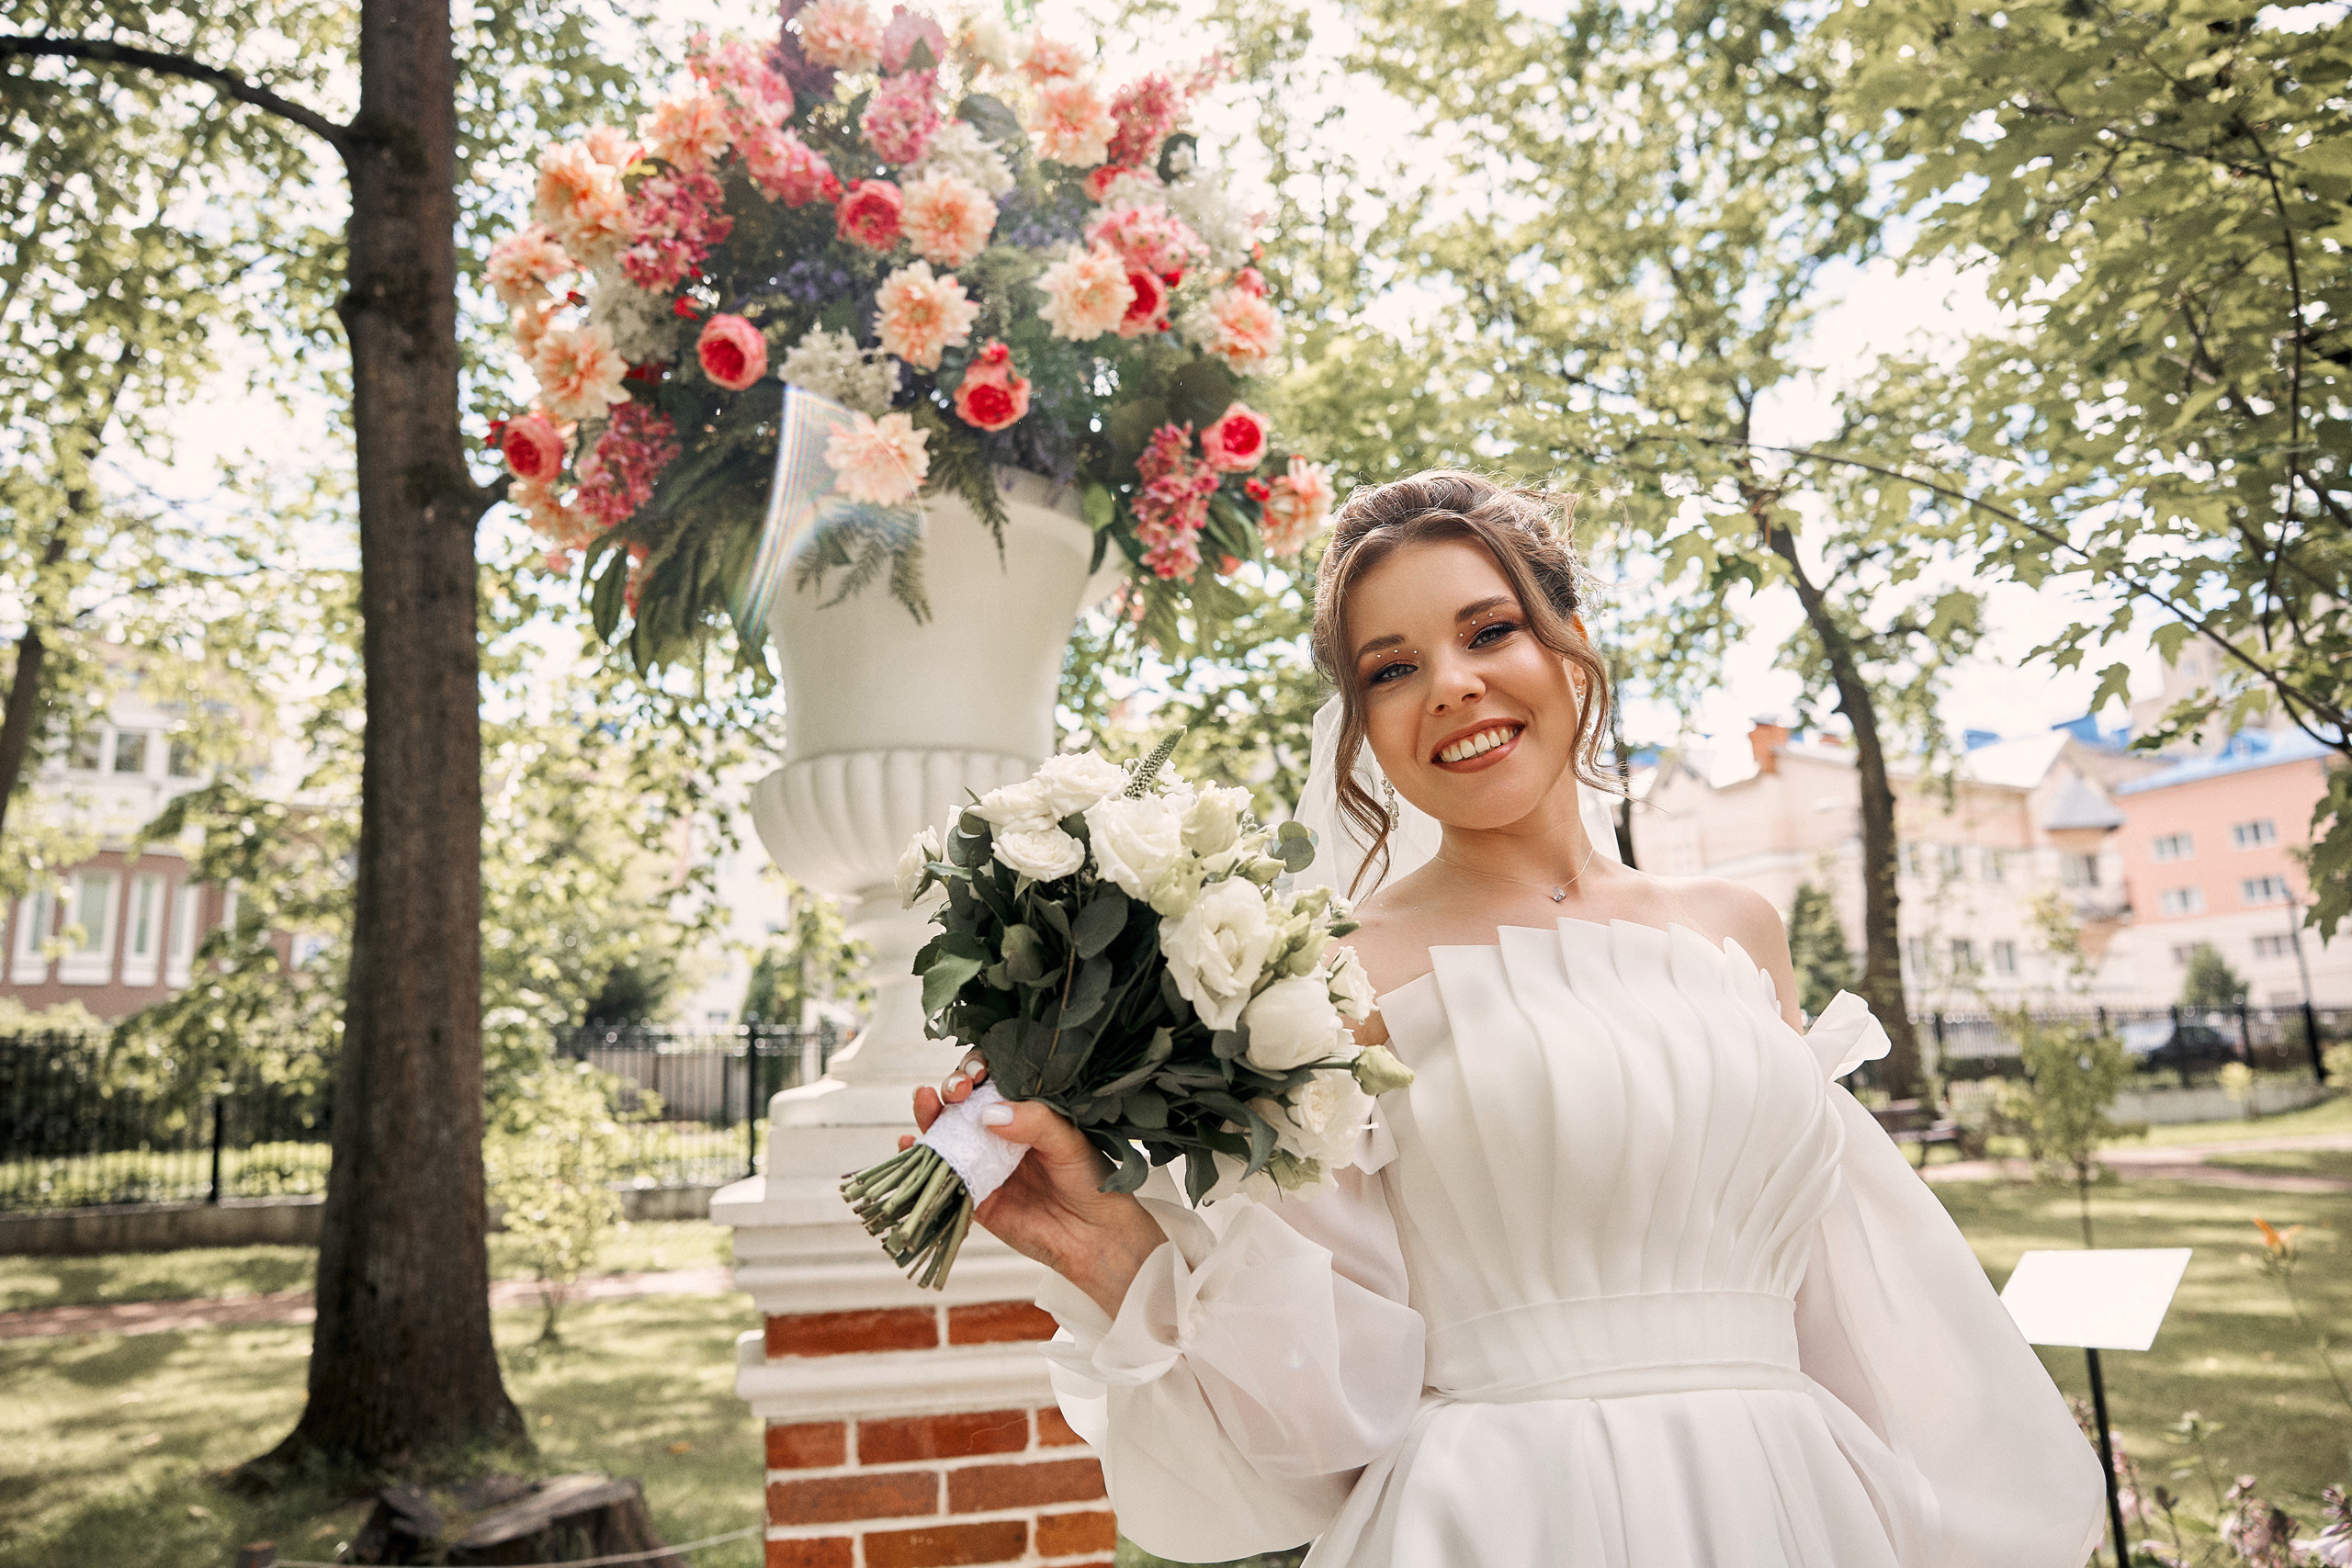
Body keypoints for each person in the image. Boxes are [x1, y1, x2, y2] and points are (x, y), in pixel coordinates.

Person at [902, 471, 2107, 1566]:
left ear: (1572, 643)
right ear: (1364, 724)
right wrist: (1113, 1249)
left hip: (1788, 1506)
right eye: (1393, 667)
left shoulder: (1739, 931)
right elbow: (1333, 1396)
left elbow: (1840, 1297)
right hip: (1501, 1519)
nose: (1453, 685)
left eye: (1490, 631)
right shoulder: (1332, 977)